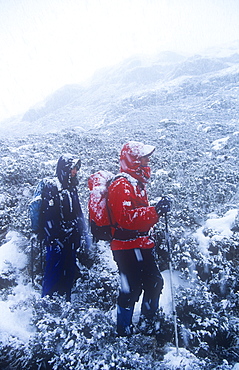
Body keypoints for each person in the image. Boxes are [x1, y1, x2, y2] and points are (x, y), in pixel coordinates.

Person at [107, 141, 171, 336]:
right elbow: (125, 219)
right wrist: (154, 211)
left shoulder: (136, 182)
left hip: (141, 243)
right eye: (143, 156)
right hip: (125, 246)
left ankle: (148, 326)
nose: (147, 160)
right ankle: (123, 331)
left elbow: (137, 213)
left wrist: (155, 208)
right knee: (131, 289)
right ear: (133, 159)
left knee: (154, 282)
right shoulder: (122, 185)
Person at [37, 154, 90, 301]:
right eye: (73, 168)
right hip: (56, 242)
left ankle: (64, 305)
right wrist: (59, 235)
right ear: (64, 168)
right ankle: (46, 307)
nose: (75, 172)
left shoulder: (72, 187)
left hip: (70, 240)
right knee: (53, 274)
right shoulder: (52, 187)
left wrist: (81, 232)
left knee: (68, 273)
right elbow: (50, 217)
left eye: (76, 169)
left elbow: (78, 212)